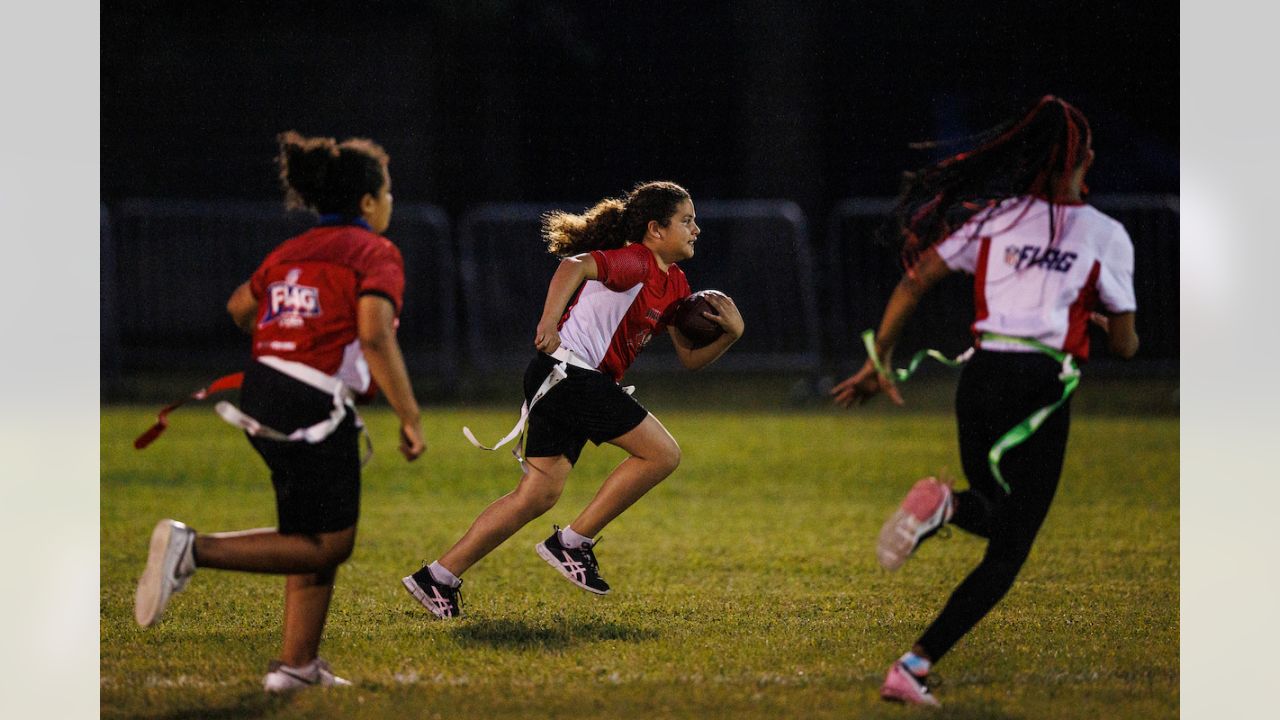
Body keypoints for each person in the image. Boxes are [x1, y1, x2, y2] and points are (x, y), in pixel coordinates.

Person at [831, 95, 1139, 707]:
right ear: (1084, 160)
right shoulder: (1105, 234)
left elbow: (916, 277)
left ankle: (944, 514)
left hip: (980, 381)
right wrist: (1107, 324)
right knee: (1010, 546)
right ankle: (913, 663)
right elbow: (1128, 346)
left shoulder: (996, 218)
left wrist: (878, 358)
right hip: (1039, 388)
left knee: (998, 513)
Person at [133, 131, 426, 692]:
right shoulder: (374, 251)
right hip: (310, 401)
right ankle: (192, 550)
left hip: (263, 389)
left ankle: (295, 668)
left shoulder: (290, 250)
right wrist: (409, 415)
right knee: (330, 542)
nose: (391, 202)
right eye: (388, 192)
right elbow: (373, 334)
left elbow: (240, 307)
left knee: (307, 532)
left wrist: (289, 324)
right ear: (368, 202)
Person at [401, 181, 743, 617]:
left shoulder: (674, 283)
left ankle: (438, 577)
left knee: (537, 495)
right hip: (570, 373)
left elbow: (691, 359)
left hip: (567, 380)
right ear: (656, 230)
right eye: (687, 220)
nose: (697, 229)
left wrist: (732, 334)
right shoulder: (637, 261)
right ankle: (573, 543)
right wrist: (548, 322)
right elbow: (574, 265)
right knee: (661, 455)